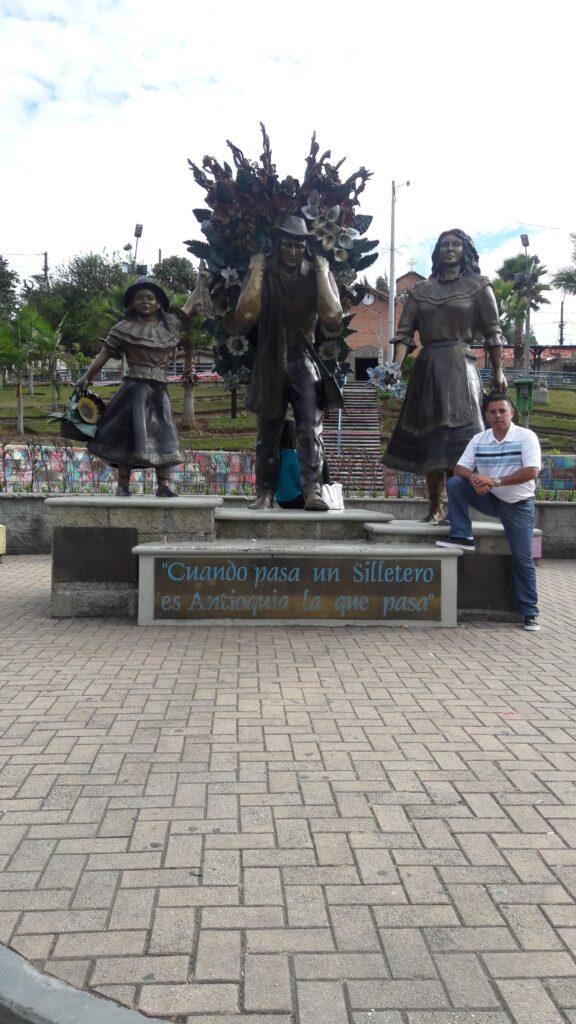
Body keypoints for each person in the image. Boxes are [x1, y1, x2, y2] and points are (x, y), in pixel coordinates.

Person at [383, 229, 506, 523]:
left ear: (465, 251)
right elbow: (404, 333)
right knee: (432, 438)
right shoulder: (420, 291)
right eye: (444, 245)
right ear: (437, 251)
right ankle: (434, 506)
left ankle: (457, 508)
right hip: (428, 368)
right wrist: (395, 366)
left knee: (462, 442)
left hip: (461, 368)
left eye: (456, 244)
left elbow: (493, 332)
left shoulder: (479, 286)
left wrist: (498, 370)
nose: (449, 249)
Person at [223, 215, 343, 511]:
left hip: (303, 359)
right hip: (270, 360)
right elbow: (246, 315)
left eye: (298, 246)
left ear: (306, 248)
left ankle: (312, 490)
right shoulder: (265, 272)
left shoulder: (316, 272)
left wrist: (323, 272)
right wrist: (256, 269)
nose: (292, 251)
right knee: (268, 433)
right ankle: (264, 492)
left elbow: (332, 317)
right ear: (277, 245)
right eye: (287, 244)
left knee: (310, 429)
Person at [73, 278, 196, 497]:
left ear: (158, 303)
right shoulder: (123, 329)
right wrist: (87, 377)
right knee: (128, 437)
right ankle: (123, 485)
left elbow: (189, 307)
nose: (145, 302)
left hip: (159, 391)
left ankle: (163, 485)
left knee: (165, 435)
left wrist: (201, 282)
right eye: (139, 298)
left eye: (150, 298)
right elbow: (104, 354)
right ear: (132, 303)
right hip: (134, 391)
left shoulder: (169, 325)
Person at [436, 392, 541, 632]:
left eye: (502, 411)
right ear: (486, 415)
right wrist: (476, 479)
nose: (498, 416)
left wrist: (495, 481)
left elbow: (532, 472)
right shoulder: (479, 439)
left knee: (523, 557)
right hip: (489, 497)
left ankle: (529, 612)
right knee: (456, 483)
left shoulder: (526, 437)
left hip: (517, 504)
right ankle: (462, 535)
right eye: (492, 412)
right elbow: (459, 468)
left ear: (511, 413)